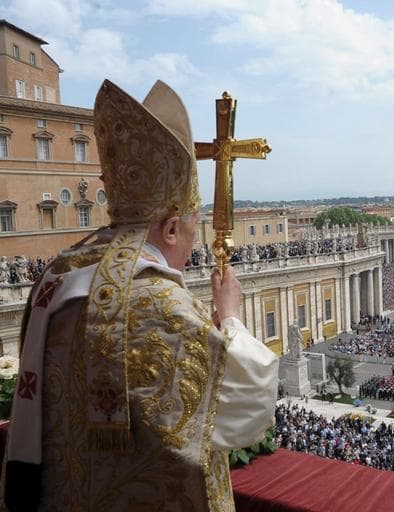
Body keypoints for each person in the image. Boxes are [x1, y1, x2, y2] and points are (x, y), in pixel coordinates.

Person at [2, 80, 278, 511]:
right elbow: (248, 403)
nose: (191, 247)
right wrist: (230, 317)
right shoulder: (159, 303)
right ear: (170, 228)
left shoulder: (56, 277)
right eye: (190, 231)